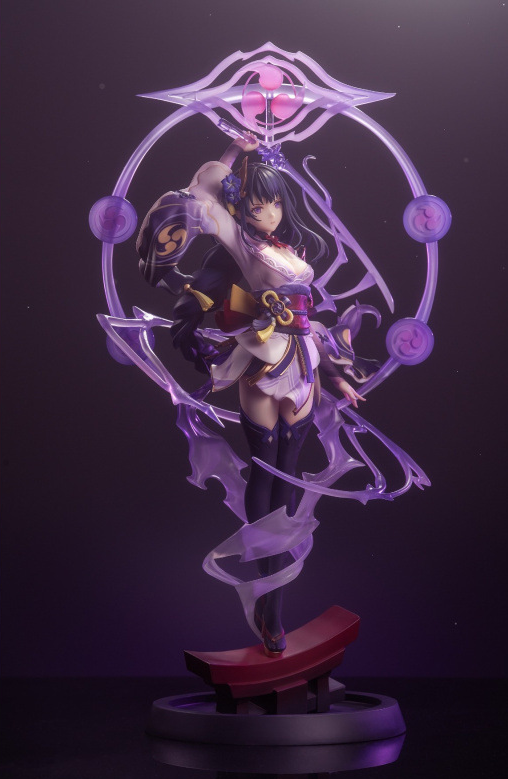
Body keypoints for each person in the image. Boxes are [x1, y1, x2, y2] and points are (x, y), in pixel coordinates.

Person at [136, 137, 365, 654]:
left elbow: (310, 324)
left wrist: (337, 378)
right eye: (258, 206)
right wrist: (231, 151)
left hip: (303, 363)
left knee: (289, 476)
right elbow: (202, 190)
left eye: (275, 203)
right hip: (262, 361)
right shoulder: (240, 242)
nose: (269, 213)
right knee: (266, 475)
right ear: (242, 209)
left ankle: (272, 599)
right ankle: (270, 601)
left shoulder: (289, 250)